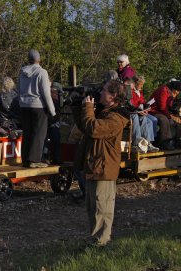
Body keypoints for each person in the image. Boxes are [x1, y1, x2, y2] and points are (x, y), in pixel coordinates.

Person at [72, 80, 129, 246]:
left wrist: (88, 108)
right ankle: (95, 238)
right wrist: (78, 106)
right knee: (92, 207)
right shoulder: (105, 111)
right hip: (95, 164)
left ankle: (101, 242)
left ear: (113, 96)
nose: (100, 92)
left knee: (102, 207)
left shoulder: (116, 117)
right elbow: (85, 126)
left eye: (104, 91)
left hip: (104, 166)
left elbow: (94, 128)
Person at [18, 49, 56, 168]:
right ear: (39, 59)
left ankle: (25, 159)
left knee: (27, 132)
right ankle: (34, 160)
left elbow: (19, 89)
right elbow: (45, 93)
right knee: (39, 133)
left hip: (24, 105)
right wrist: (52, 111)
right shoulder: (42, 72)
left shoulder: (22, 72)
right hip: (38, 105)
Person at [127, 76, 159, 152]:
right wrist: (140, 109)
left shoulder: (140, 92)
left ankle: (148, 143)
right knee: (148, 120)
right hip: (135, 112)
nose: (142, 86)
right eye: (140, 84)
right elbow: (132, 105)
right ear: (136, 84)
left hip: (140, 111)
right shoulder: (131, 92)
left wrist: (147, 107)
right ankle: (139, 143)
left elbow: (143, 102)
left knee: (150, 121)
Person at [148, 80, 181, 150]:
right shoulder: (163, 90)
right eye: (177, 91)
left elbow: (170, 106)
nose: (178, 93)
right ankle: (164, 143)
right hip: (153, 110)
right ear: (173, 88)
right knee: (164, 120)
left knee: (176, 123)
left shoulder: (169, 92)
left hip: (161, 111)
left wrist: (173, 98)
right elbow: (162, 107)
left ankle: (176, 142)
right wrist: (170, 117)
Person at [43, 82, 63, 164]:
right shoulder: (54, 99)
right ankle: (55, 158)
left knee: (49, 139)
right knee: (55, 137)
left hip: (47, 123)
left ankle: (49, 158)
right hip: (49, 123)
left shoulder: (49, 97)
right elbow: (55, 113)